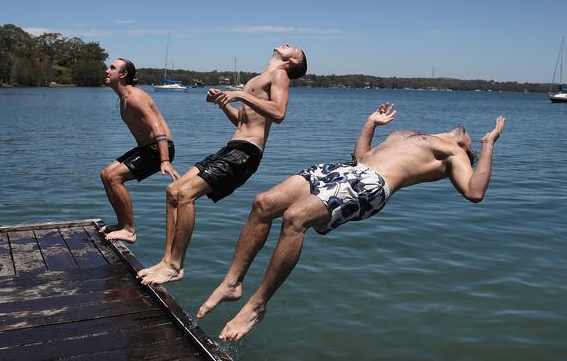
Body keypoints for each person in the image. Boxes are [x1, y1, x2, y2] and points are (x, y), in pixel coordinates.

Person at [197, 102, 506, 341]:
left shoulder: (455, 153)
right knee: (263, 203)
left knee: (294, 219)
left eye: (472, 149)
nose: (468, 140)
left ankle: (257, 305)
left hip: (372, 185)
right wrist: (370, 123)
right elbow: (362, 157)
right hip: (347, 170)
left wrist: (487, 144)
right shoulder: (410, 136)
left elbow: (475, 191)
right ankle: (232, 283)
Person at [137, 44, 308, 285]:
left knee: (185, 194)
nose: (288, 45)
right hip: (233, 147)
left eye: (295, 49)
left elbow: (279, 113)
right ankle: (166, 261)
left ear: (292, 63)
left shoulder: (280, 75)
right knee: (173, 191)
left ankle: (175, 266)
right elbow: (242, 121)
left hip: (246, 153)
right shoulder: (256, 80)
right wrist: (223, 103)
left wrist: (239, 94)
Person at [99, 58, 179, 242]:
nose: (106, 70)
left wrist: (165, 160)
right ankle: (122, 224)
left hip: (158, 149)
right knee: (105, 174)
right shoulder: (124, 97)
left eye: (112, 68)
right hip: (146, 148)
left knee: (114, 177)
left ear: (122, 74)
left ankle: (129, 230)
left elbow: (157, 126)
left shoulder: (135, 97)